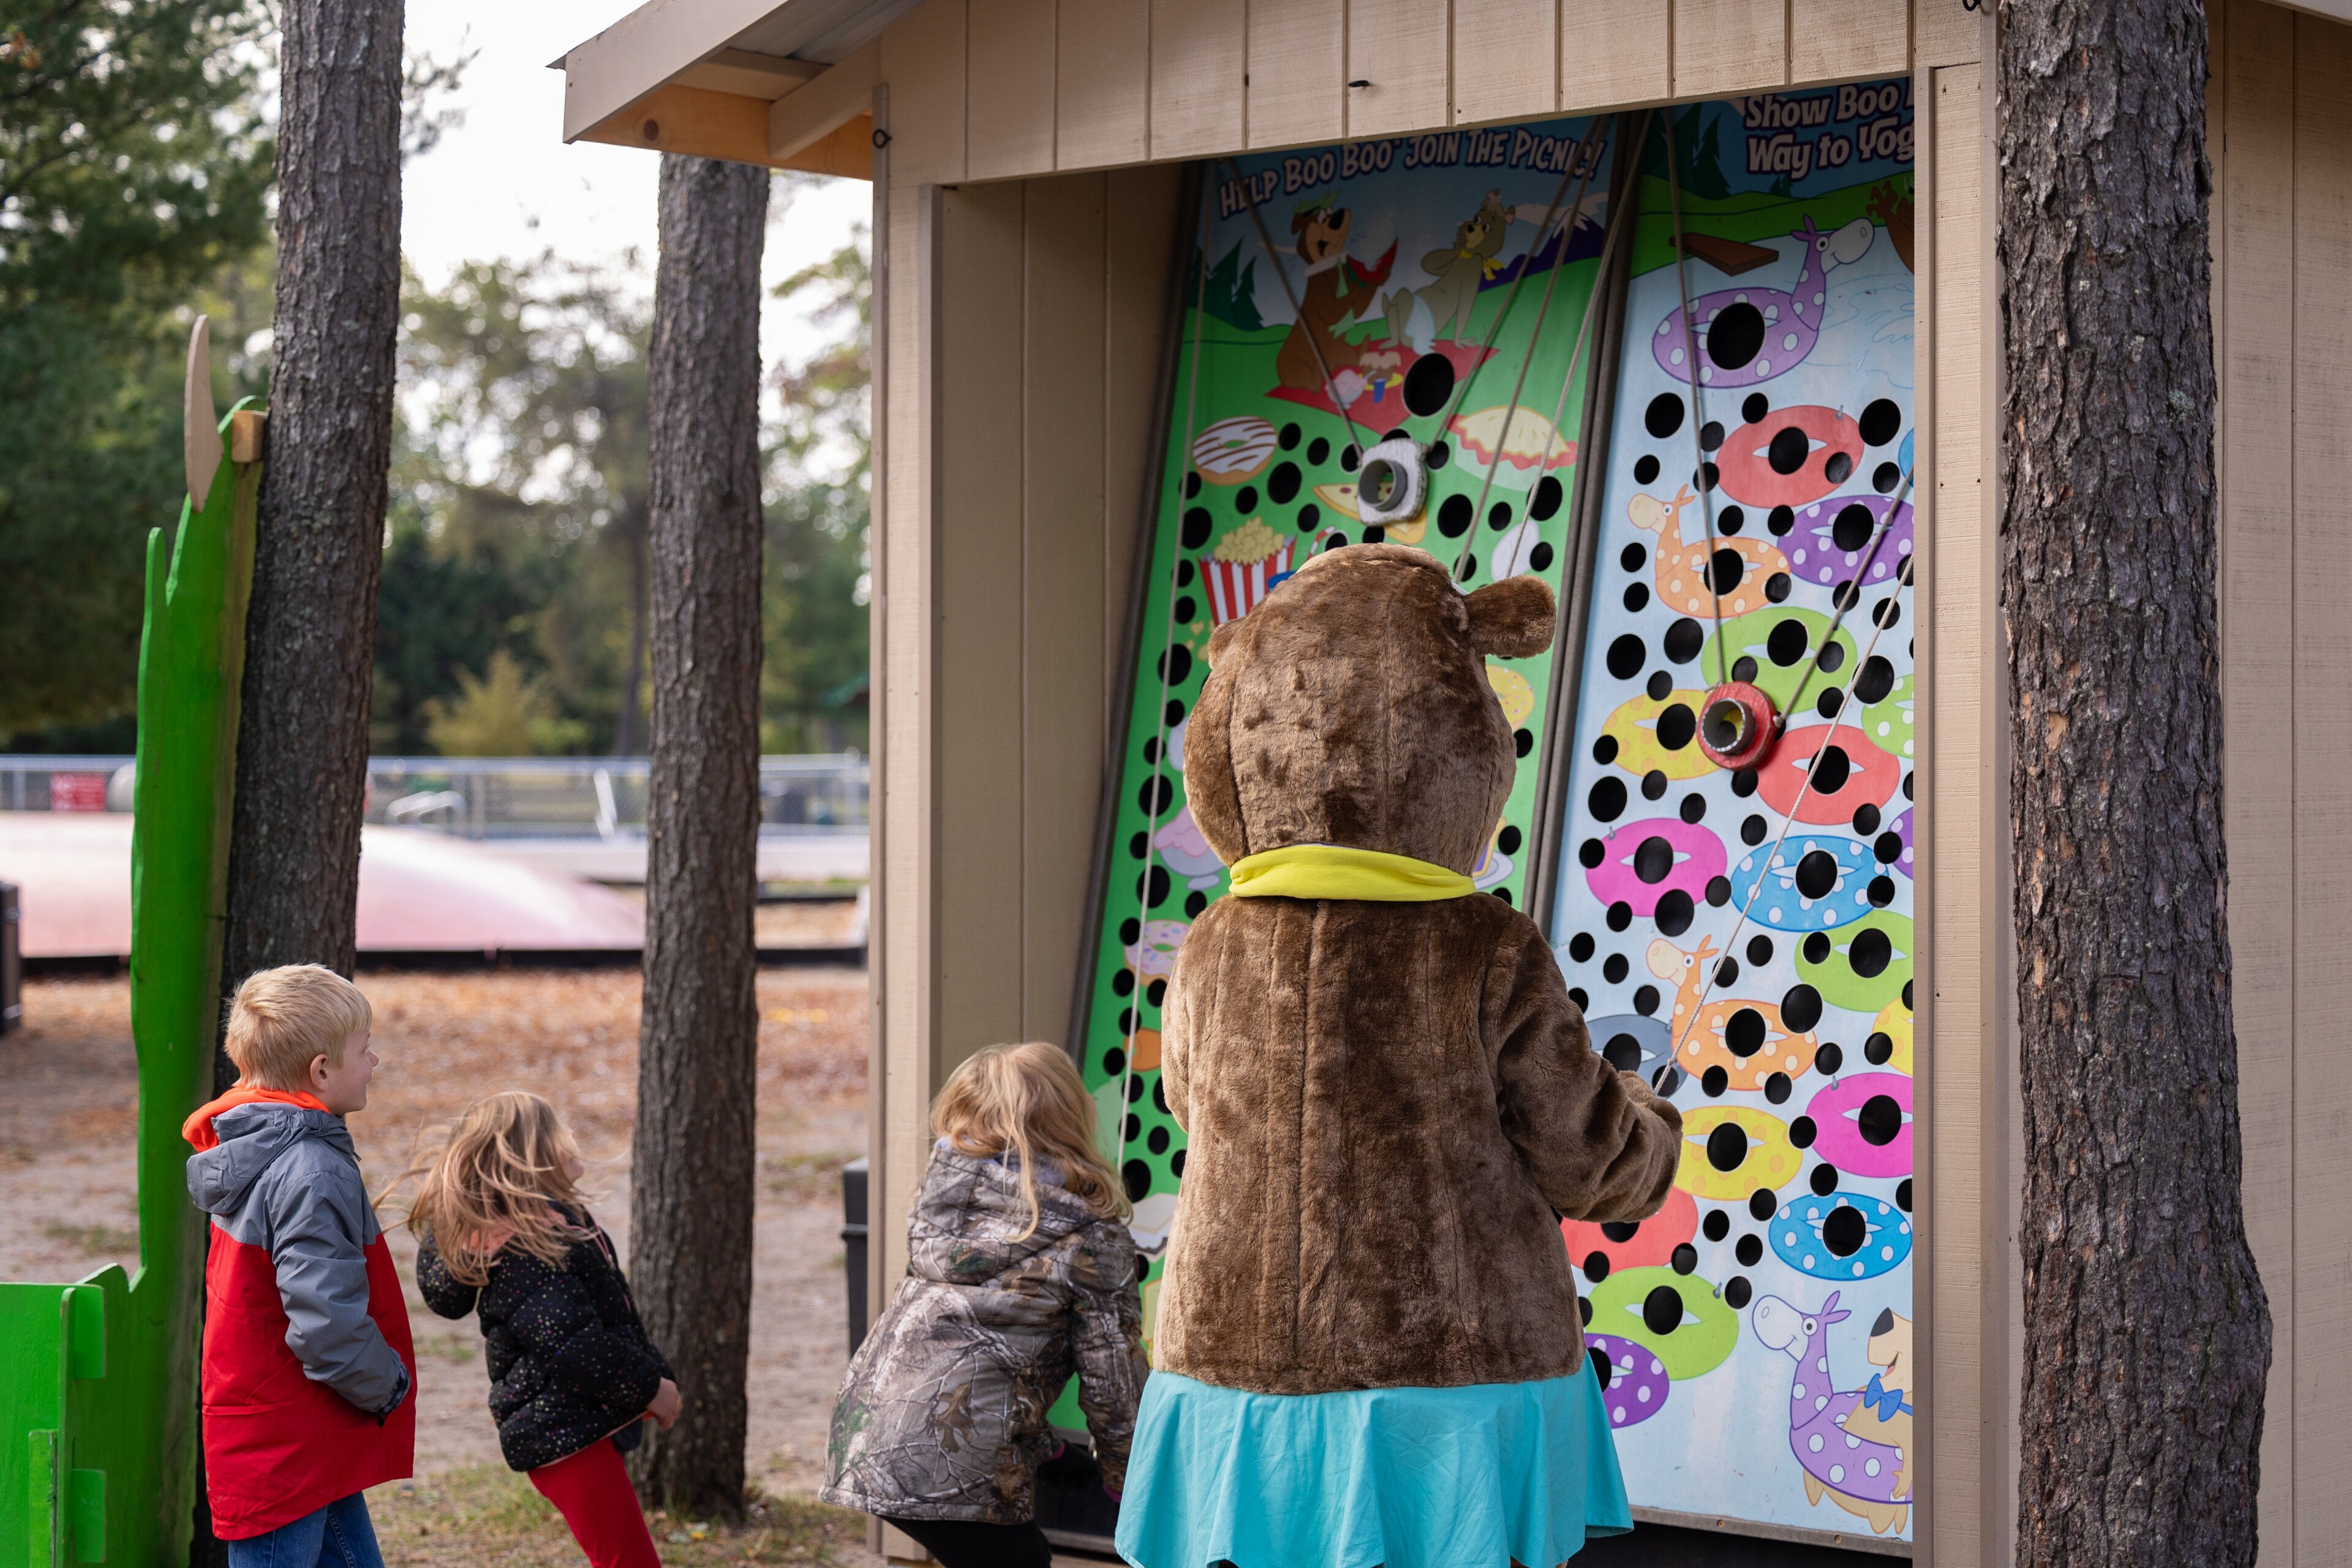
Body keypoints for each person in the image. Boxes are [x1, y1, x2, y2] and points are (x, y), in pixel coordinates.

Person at [823, 1042, 1147, 1568]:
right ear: (1073, 1115)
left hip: (871, 1433)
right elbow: (1115, 1383)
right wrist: (1129, 1480)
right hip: (953, 1461)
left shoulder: (944, 1209)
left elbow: (970, 1352)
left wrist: (1046, 1450)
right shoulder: (1090, 1237)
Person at [184, 963, 417, 1566]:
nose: (374, 1063)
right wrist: (387, 1382)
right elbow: (325, 1325)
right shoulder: (310, 1169)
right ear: (321, 1070)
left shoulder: (262, 1150)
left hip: (293, 1432)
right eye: (364, 1051)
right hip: (287, 1443)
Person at [396, 1091, 680, 1568]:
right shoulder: (527, 1249)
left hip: (574, 1427)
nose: (571, 1143)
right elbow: (575, 1348)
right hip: (564, 1437)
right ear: (530, 1157)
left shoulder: (540, 1229)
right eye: (557, 1134)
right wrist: (651, 1387)